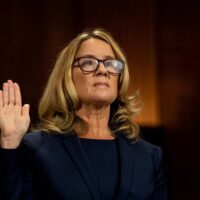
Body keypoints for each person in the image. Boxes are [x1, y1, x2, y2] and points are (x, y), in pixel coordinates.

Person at [0, 28, 167, 200]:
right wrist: (9, 141)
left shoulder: (149, 156)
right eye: (88, 63)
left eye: (110, 63)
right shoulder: (36, 149)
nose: (103, 70)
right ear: (66, 77)